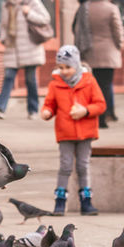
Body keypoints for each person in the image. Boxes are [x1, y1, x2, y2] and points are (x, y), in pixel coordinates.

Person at [40, 45, 106, 216]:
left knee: (83, 166)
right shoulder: (55, 85)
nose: (64, 71)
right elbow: (50, 104)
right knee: (65, 166)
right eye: (60, 67)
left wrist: (86, 110)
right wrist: (47, 112)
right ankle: (60, 201)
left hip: (86, 133)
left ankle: (86, 201)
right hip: (65, 133)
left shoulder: (89, 81)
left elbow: (100, 104)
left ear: (76, 65)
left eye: (68, 67)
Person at [0, 0, 51, 120]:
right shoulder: (7, 4)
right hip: (13, 47)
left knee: (30, 79)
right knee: (9, 76)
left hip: (30, 47)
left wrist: (29, 13)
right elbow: (4, 25)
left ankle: (33, 110)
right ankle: (0, 108)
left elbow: (45, 18)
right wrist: (4, 39)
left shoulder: (32, 1)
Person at [73, 0, 124, 128]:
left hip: (89, 52)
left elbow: (76, 28)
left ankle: (93, 116)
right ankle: (104, 116)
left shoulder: (85, 7)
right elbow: (118, 30)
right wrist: (119, 45)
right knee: (106, 86)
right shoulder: (111, 8)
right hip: (108, 53)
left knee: (92, 86)